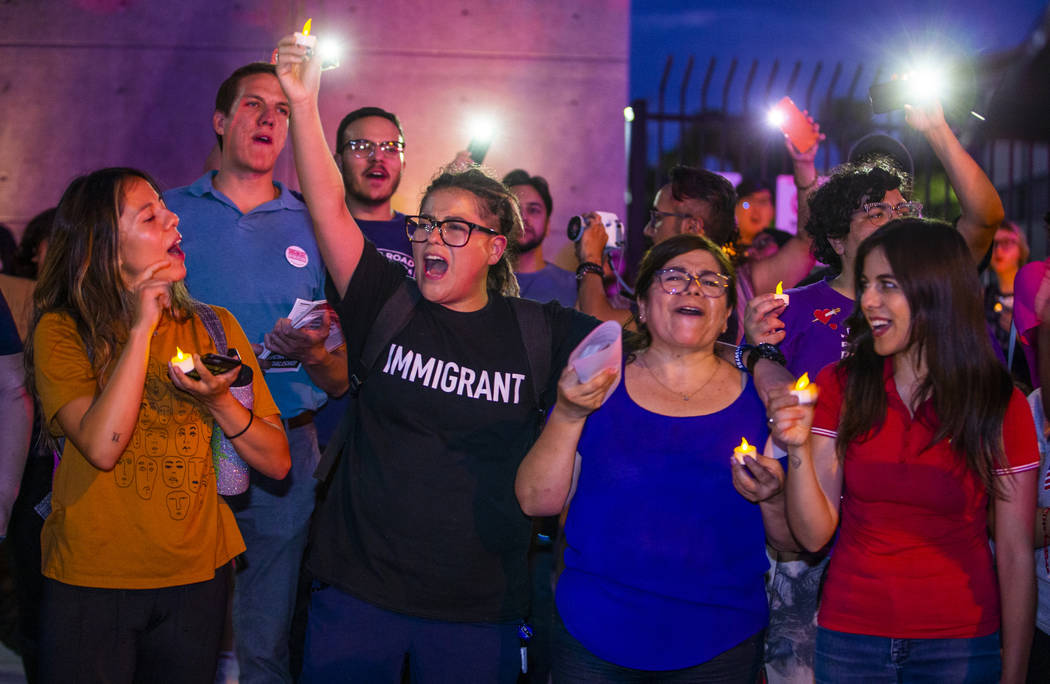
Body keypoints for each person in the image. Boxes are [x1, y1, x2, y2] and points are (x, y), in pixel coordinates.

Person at [273, 37, 602, 682]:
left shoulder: (538, 331)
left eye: (455, 227)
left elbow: (621, 347)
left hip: (477, 615)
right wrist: (304, 101)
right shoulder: (384, 303)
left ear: (495, 248)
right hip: (355, 597)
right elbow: (328, 206)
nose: (430, 239)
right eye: (425, 224)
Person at [745, 104, 1005, 684]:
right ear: (836, 237)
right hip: (812, 522)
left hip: (912, 529)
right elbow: (769, 395)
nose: (892, 218)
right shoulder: (798, 308)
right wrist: (757, 354)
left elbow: (985, 215)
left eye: (901, 207)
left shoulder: (932, 296)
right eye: (873, 211)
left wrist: (936, 125)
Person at [27, 167, 289, 683]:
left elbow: (277, 462)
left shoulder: (215, 326)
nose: (174, 219)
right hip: (92, 578)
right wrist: (142, 326)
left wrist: (220, 402)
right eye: (150, 215)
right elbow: (102, 446)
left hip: (197, 577)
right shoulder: (63, 331)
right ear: (102, 245)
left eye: (165, 210)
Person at [517, 233, 794, 680]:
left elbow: (787, 542)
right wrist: (568, 412)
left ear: (727, 315)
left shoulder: (763, 404)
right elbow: (536, 502)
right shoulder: (596, 385)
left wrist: (774, 495)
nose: (693, 287)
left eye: (710, 280)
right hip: (594, 639)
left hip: (718, 643)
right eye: (674, 277)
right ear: (641, 307)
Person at [770, 218, 1036, 683]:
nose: (868, 300)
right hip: (851, 636)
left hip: (960, 644)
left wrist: (1014, 675)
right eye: (867, 284)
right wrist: (796, 452)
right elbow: (813, 537)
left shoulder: (997, 401)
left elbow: (1015, 556)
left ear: (937, 290)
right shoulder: (840, 385)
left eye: (887, 284)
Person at [164, 61, 348, 684]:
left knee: (264, 643)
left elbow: (341, 376)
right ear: (220, 121)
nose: (270, 117)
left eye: (282, 109)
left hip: (285, 448)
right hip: (179, 440)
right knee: (175, 632)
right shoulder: (166, 215)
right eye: (252, 105)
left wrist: (316, 350)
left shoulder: (315, 225)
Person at [576, 128, 821, 338]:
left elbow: (596, 323)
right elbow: (806, 242)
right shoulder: (746, 283)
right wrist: (804, 165)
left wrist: (590, 261)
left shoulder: (668, 290)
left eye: (657, 218)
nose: (647, 230)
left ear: (692, 228)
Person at [334, 105, 413, 274]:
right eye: (362, 147)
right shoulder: (314, 228)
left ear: (403, 164)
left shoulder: (422, 238)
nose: (377, 157)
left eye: (391, 148)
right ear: (338, 162)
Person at [504, 169, 577, 308]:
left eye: (533, 210)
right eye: (513, 209)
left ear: (548, 225)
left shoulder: (574, 287)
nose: (522, 218)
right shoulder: (480, 282)